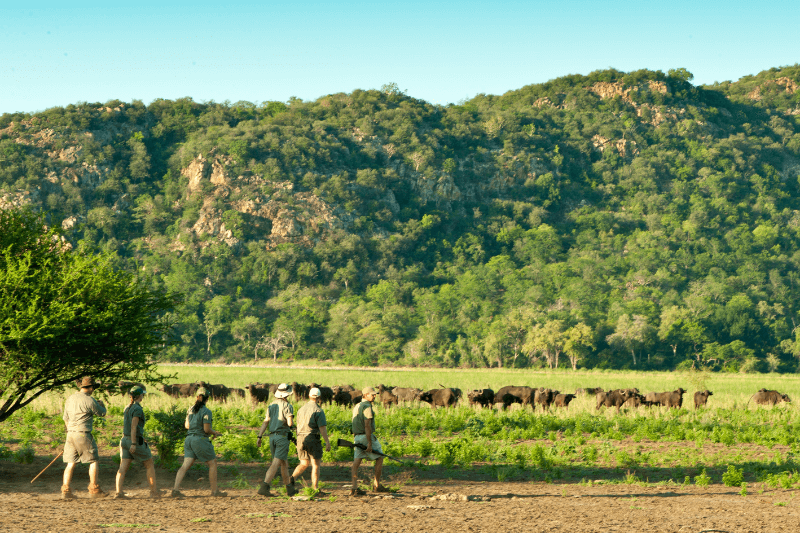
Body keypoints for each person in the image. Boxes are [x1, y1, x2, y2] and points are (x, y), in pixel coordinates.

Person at [171, 387, 226, 497]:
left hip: (189, 439)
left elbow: (187, 426)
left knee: (185, 465)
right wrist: (214, 432)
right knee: (212, 463)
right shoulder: (206, 411)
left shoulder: (190, 409)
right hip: (199, 439)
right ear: (208, 399)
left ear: (197, 397)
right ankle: (215, 491)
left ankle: (175, 489)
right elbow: (206, 429)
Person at [61, 376, 108, 500]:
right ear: (91, 387)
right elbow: (101, 413)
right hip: (83, 433)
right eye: (93, 388)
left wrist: (70, 433)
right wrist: (101, 404)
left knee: (71, 463)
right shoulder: (90, 400)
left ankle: (66, 490)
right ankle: (94, 489)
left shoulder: (70, 398)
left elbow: (65, 418)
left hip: (70, 433)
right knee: (93, 461)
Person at [114, 386, 159, 499]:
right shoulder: (137, 409)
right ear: (139, 396)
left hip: (124, 439)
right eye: (142, 394)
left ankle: (119, 492)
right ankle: (154, 492)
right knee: (149, 464)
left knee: (123, 467)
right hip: (134, 440)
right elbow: (134, 427)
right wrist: (134, 443)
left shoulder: (127, 407)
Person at [256, 383, 298, 497]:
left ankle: (289, 489)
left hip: (272, 437)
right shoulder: (287, 406)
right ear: (287, 394)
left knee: (283, 463)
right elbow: (290, 423)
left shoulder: (271, 405)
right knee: (275, 463)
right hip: (282, 437)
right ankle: (264, 486)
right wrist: (295, 428)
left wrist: (259, 436)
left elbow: (266, 421)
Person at [290, 387, 331, 493]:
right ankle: (315, 488)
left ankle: (291, 479)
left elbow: (297, 426)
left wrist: (297, 441)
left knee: (303, 463)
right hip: (312, 438)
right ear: (319, 397)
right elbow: (322, 428)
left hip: (300, 438)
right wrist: (327, 441)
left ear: (309, 396)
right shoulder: (318, 411)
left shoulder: (301, 409)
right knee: (315, 464)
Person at [350, 386, 388, 496]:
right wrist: (370, 442)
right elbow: (367, 426)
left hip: (357, 437)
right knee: (380, 457)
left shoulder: (357, 406)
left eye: (375, 394)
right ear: (365, 395)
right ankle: (376, 485)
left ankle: (354, 487)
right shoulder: (367, 407)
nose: (375, 396)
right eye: (372, 394)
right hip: (366, 437)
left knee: (356, 463)